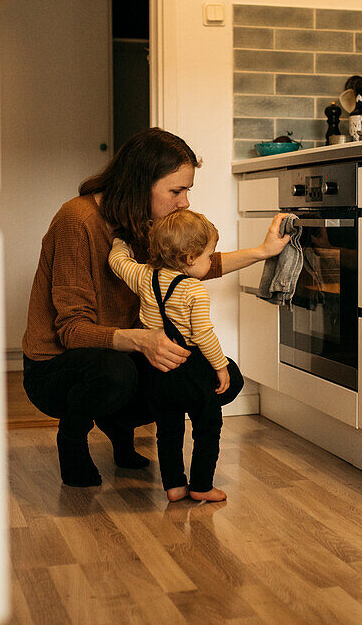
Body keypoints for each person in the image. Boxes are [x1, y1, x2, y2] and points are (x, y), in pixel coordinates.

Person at [20, 127, 290, 487]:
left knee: (218, 377)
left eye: (187, 191)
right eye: (177, 191)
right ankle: (72, 440)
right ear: (139, 184)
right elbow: (72, 331)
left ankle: (117, 425)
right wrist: (143, 341)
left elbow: (190, 266)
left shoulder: (142, 223)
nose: (185, 202)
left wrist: (262, 252)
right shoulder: (78, 221)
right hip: (56, 367)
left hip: (115, 355)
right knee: (119, 373)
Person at [108, 209, 236, 503]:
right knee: (207, 428)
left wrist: (119, 243)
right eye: (208, 257)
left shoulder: (143, 275)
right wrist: (221, 366)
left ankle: (175, 486)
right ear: (190, 258)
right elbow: (203, 335)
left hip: (159, 370)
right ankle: (202, 485)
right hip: (192, 371)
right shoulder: (194, 290)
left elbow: (118, 262)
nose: (209, 262)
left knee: (168, 430)